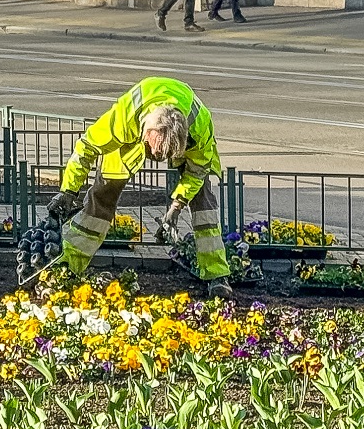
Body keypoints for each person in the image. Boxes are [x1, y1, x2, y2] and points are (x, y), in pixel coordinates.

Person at [45, 77, 228, 282]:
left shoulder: (200, 130)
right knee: (103, 194)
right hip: (132, 130)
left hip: (187, 139)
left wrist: (175, 208)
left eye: (166, 155)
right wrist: (68, 190)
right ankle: (68, 265)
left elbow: (196, 172)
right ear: (146, 133)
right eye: (154, 152)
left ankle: (217, 275)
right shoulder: (124, 119)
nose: (157, 159)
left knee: (204, 204)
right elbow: (86, 148)